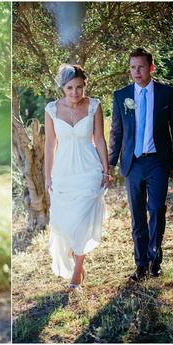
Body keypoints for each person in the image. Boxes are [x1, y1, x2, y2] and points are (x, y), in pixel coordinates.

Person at [109, 48, 173, 281]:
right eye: (132, 67)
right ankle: (140, 264)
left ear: (151, 68)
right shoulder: (122, 96)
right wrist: (110, 164)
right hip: (132, 164)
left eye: (141, 67)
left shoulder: (166, 94)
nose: (136, 72)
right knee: (137, 216)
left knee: (156, 209)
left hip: (157, 162)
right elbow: (116, 132)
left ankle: (155, 260)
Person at [44, 64, 110, 290]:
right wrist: (47, 176)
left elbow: (99, 139)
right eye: (70, 88)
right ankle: (77, 260)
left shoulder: (94, 106)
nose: (75, 93)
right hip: (62, 173)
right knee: (65, 223)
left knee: (82, 220)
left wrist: (105, 169)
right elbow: (50, 144)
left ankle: (76, 271)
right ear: (62, 88)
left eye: (79, 87)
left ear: (85, 86)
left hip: (89, 169)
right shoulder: (51, 109)